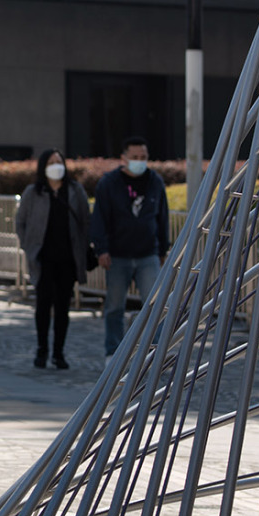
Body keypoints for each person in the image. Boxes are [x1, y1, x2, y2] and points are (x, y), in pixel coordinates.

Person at [90, 135, 169, 363]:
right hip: (117, 255)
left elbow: (162, 217)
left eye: (143, 157)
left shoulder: (155, 182)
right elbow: (99, 219)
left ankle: (155, 352)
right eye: (135, 157)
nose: (139, 161)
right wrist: (102, 249)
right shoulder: (109, 183)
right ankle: (113, 352)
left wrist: (163, 249)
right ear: (124, 158)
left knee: (155, 305)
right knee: (115, 306)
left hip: (148, 254)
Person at [15, 149, 90, 370]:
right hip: (43, 258)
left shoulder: (74, 190)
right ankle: (42, 350)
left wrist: (83, 247)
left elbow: (85, 220)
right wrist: (28, 246)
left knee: (62, 306)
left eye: (59, 161)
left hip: (67, 258)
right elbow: (20, 222)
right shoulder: (33, 192)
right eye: (51, 162)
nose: (56, 166)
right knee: (43, 304)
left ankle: (58, 352)